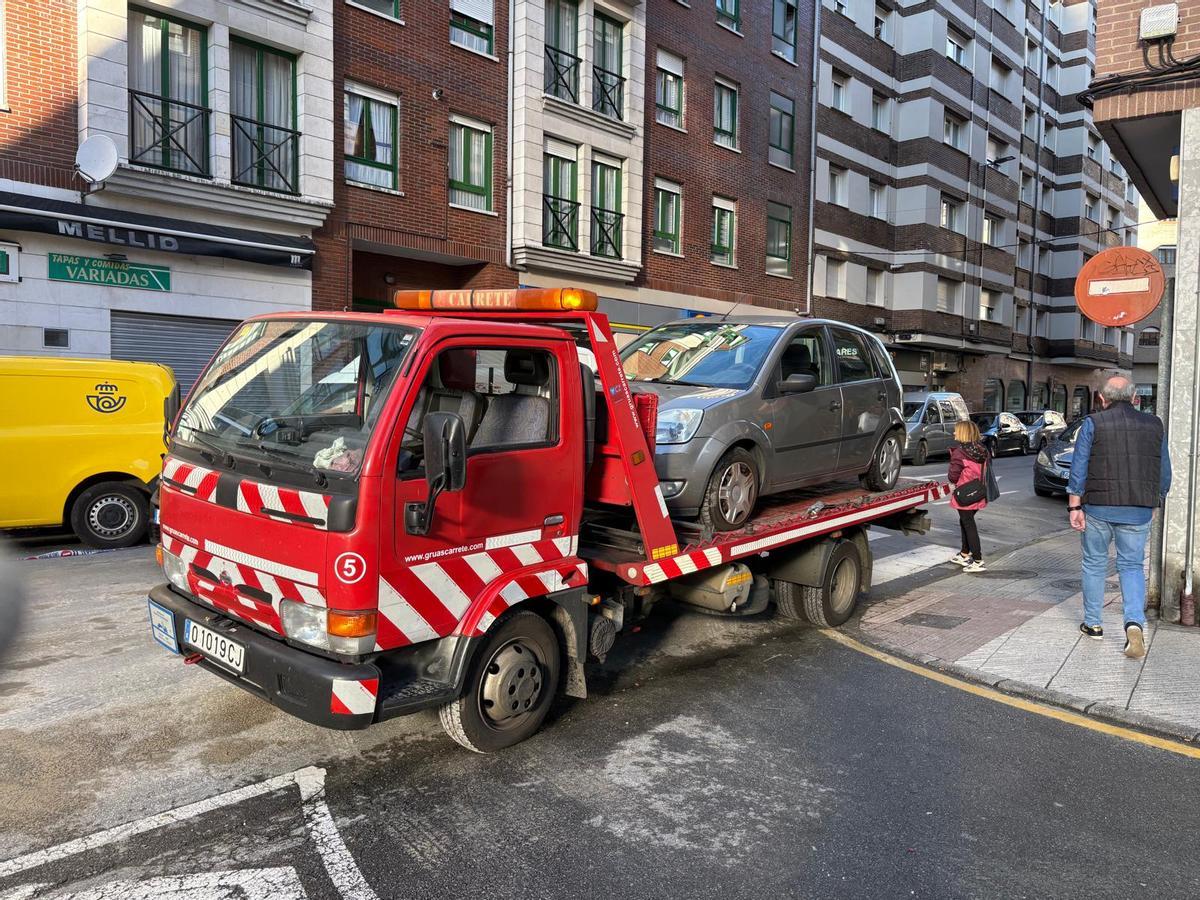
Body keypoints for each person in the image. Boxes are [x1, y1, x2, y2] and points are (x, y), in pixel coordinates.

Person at [1067, 375, 1172, 659]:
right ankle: (1134, 623)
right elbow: (1163, 469)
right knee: (1132, 566)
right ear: (1135, 397)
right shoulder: (1154, 425)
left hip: (1098, 506)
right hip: (1138, 508)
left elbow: (1079, 466)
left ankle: (1093, 624)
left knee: (1094, 563)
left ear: (1102, 398)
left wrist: (1074, 506)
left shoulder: (1093, 423)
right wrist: (1156, 500)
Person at [948, 420, 989, 573]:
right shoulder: (982, 450)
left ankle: (978, 560)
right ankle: (965, 554)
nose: (954, 433)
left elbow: (953, 476)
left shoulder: (960, 453)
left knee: (968, 524)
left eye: (956, 430)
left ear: (963, 433)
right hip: (978, 492)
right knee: (965, 521)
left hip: (964, 494)